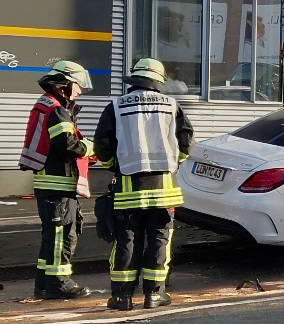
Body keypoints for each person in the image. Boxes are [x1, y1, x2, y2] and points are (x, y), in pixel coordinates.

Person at [94, 58, 194, 310]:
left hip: (129, 187)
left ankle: (122, 297)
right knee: (159, 239)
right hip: (163, 188)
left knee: (127, 239)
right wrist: (175, 162)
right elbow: (186, 142)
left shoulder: (116, 106)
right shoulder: (172, 105)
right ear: (158, 81)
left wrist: (114, 166)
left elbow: (102, 146)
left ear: (134, 79)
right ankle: (154, 294)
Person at [18, 60, 96, 300]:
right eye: (78, 85)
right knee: (63, 235)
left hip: (49, 184)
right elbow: (66, 144)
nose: (80, 91)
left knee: (51, 236)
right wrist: (89, 147)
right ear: (64, 85)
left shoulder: (47, 104)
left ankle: (44, 283)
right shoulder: (57, 110)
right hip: (58, 185)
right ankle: (59, 284)